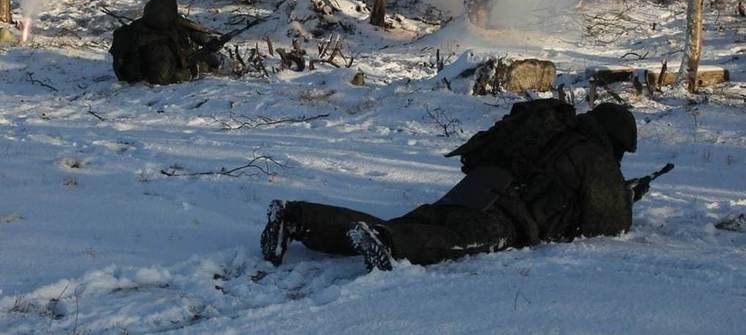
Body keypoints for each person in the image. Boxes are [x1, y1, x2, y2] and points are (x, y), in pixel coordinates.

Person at [260, 100, 643, 272]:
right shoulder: (594, 155)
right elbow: (608, 224)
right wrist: (626, 196)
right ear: (614, 139)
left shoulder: (554, 127)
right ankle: (390, 246)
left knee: (397, 221)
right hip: (505, 214)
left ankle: (298, 217)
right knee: (449, 242)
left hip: (472, 190)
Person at [109, 0, 223, 85]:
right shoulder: (167, 34)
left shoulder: (135, 27)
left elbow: (200, 36)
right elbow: (161, 78)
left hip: (131, 74)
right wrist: (193, 71)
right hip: (156, 74)